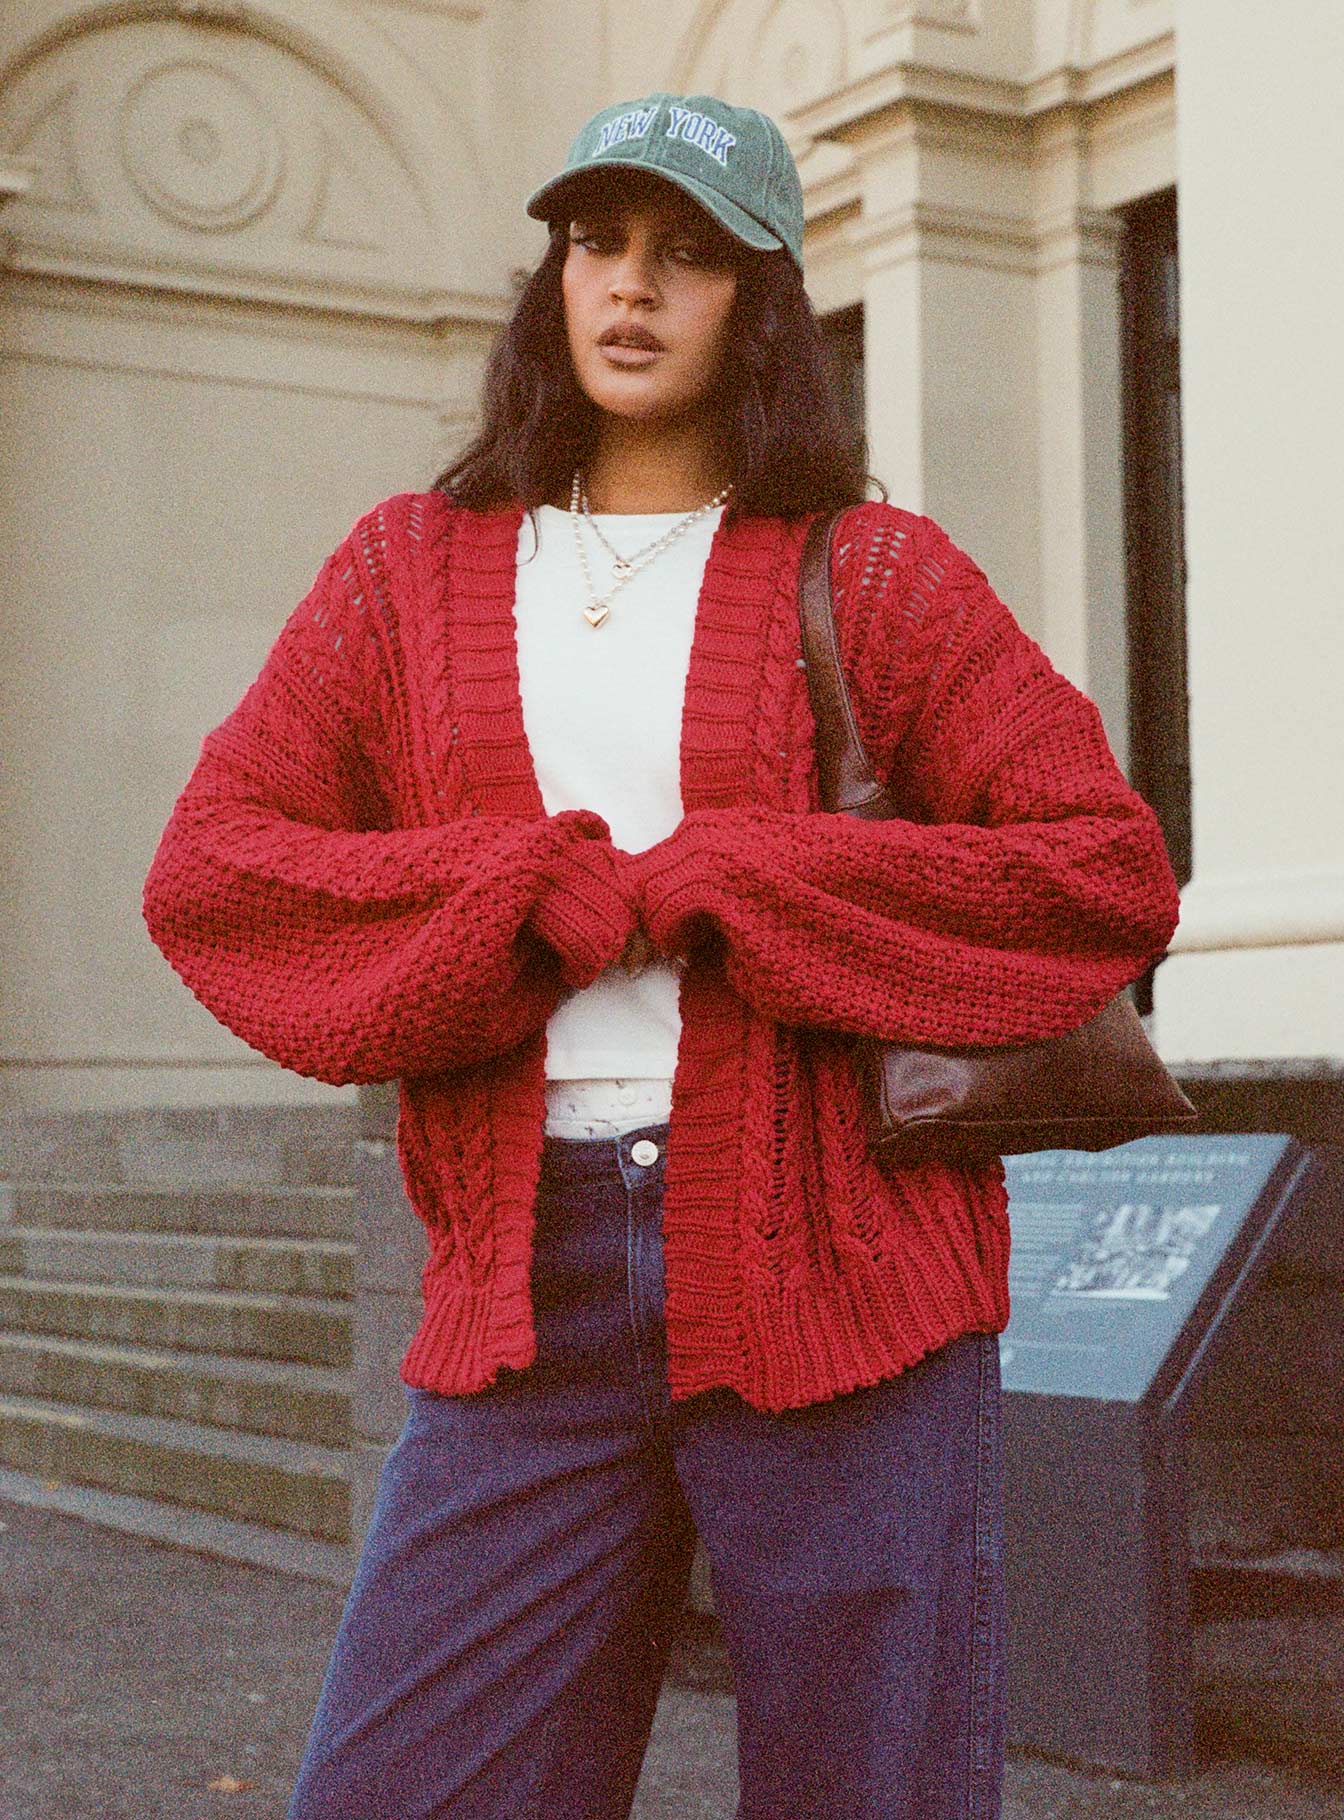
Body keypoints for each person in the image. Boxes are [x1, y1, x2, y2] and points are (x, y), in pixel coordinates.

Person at [143, 91, 1181, 1820]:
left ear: (761, 300)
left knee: (874, 1791)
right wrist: (508, 899)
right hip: (521, 1291)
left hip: (845, 1264)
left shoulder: (881, 573)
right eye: (599, 244)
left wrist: (756, 885)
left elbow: (1100, 874)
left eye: (690, 254)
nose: (631, 288)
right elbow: (221, 874)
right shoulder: (408, 572)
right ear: (554, 274)